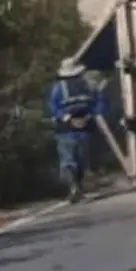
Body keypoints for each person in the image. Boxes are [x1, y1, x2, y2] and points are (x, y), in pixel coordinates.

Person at [48, 58, 106, 203]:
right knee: (81, 160)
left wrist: (66, 118)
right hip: (85, 128)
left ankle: (73, 186)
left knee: (68, 160)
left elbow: (53, 108)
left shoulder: (57, 88)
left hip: (65, 129)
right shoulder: (89, 86)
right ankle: (78, 186)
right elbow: (100, 104)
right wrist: (89, 116)